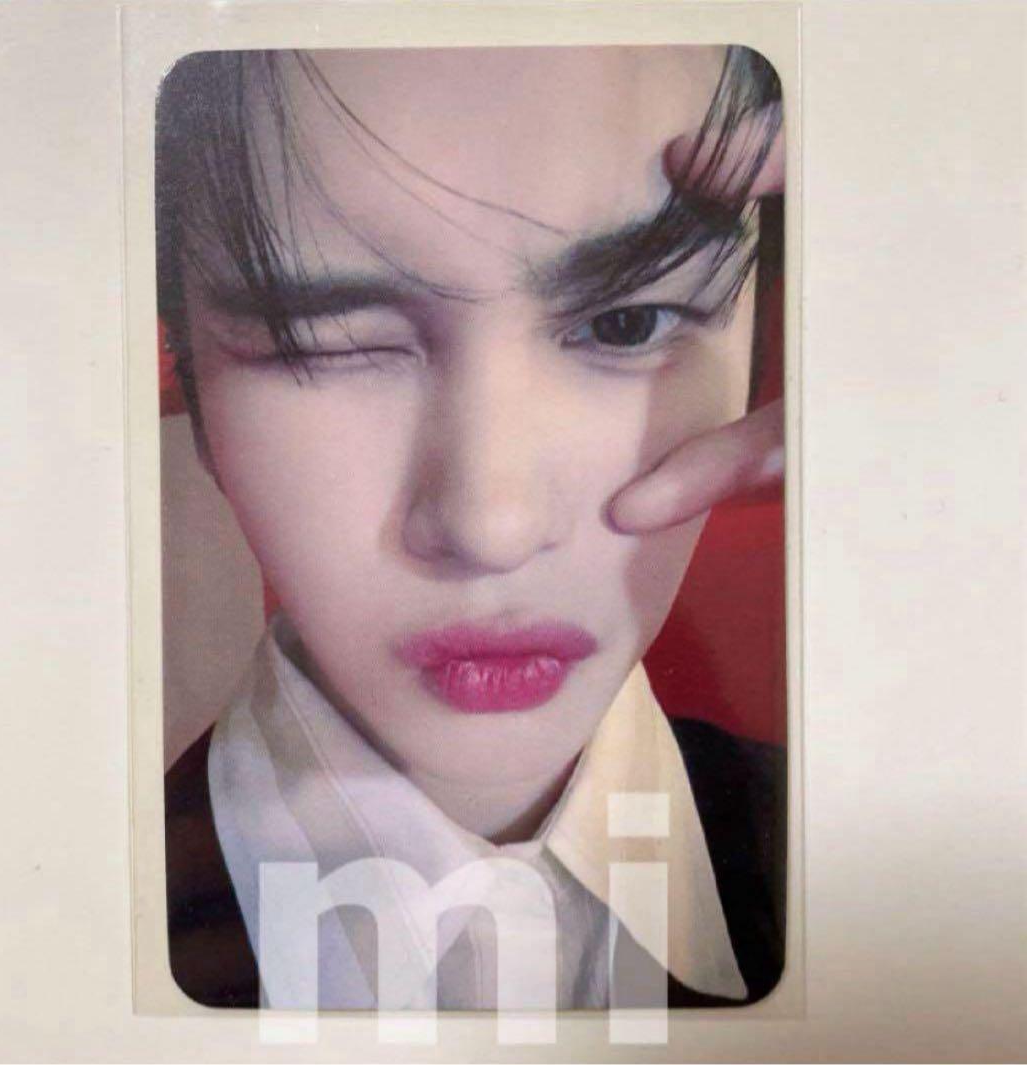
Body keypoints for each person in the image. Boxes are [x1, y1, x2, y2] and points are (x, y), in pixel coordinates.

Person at [158, 44, 786, 1013]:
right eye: (324, 342)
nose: (492, 528)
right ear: (192, 388)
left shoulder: (927, 872)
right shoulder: (23, 940)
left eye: (630, 322)